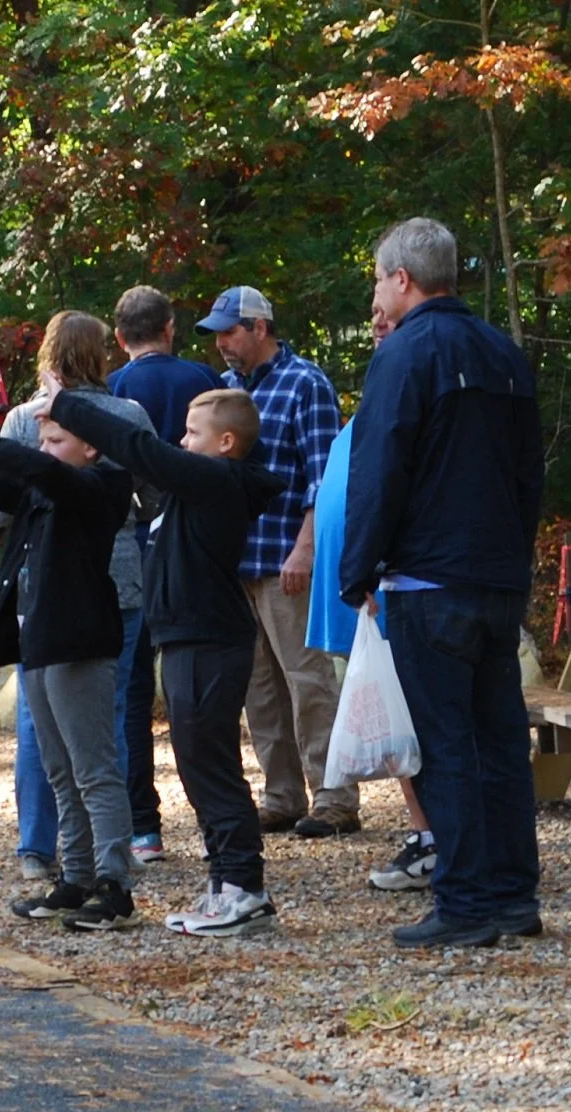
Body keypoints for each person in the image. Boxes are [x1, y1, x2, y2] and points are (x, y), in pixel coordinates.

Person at [341, 218, 545, 950]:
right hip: (493, 574)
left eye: (376, 277)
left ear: (402, 279)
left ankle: (462, 902)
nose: (375, 292)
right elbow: (530, 472)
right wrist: (514, 561)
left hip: (429, 579)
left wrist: (358, 567)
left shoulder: (404, 356)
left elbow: (381, 466)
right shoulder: (504, 354)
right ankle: (513, 893)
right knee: (498, 739)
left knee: (447, 743)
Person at [50, 386, 286, 937]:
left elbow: (141, 449)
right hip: (187, 640)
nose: (182, 442)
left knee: (211, 764)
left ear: (226, 443)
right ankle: (225, 881)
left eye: (192, 434)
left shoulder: (217, 479)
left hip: (210, 641)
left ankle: (244, 888)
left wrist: (68, 405)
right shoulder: (199, 487)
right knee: (196, 765)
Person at [0, 387, 140, 931]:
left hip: (80, 642)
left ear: (91, 448)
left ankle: (113, 883)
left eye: (57, 440)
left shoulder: (98, 487)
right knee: (59, 770)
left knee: (93, 769)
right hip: (40, 644)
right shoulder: (46, 492)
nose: (46, 450)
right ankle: (74, 878)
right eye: (43, 441)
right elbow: (1, 485)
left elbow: (43, 473)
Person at [0, 313, 160, 883]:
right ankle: (121, 839)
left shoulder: (22, 418)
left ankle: (41, 846)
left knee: (43, 723)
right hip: (120, 578)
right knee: (108, 717)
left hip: (49, 585)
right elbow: (153, 494)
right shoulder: (127, 414)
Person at [198, 285, 357, 838]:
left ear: (260, 327)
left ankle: (334, 796)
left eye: (229, 331)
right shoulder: (226, 390)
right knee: (258, 690)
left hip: (286, 559)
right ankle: (282, 793)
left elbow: (323, 475)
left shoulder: (306, 384)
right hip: (236, 561)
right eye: (217, 334)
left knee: (307, 681)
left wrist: (306, 549)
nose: (222, 343)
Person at [307, 303, 437, 893]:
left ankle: (435, 837)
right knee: (401, 720)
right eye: (375, 317)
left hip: (398, 593)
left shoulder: (411, 411)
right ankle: (428, 831)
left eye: (390, 315)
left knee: (418, 720)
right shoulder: (362, 419)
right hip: (367, 597)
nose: (379, 323)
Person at [107, 285, 222, 865]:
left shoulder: (114, 394)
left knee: (131, 693)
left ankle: (144, 827)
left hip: (136, 546)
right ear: (171, 327)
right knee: (192, 691)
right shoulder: (202, 380)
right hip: (197, 546)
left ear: (121, 335)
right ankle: (213, 823)